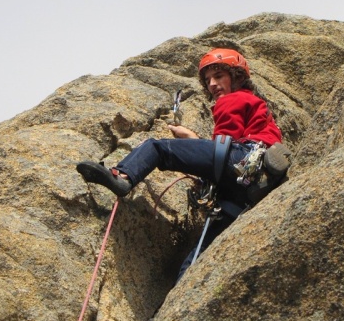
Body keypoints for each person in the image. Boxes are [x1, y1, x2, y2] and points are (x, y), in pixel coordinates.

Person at [77, 48, 282, 279]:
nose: (212, 85)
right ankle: (175, 300)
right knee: (198, 258)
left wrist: (193, 146)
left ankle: (123, 176)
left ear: (237, 77)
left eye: (218, 76)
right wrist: (194, 141)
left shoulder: (233, 99)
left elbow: (225, 144)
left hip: (240, 160)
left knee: (157, 148)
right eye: (207, 81)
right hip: (247, 188)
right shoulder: (258, 107)